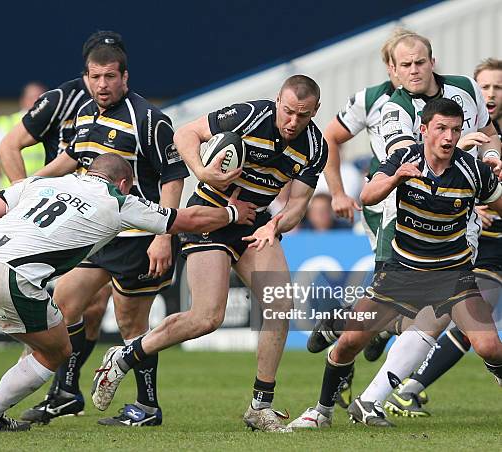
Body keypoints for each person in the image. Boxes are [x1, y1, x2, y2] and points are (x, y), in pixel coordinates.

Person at [0, 153, 255, 432]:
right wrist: (231, 214)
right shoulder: (119, 201)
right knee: (57, 350)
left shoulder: (40, 183)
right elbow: (186, 220)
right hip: (9, 274)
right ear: (124, 183)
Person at [91, 75, 328, 432]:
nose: (293, 122)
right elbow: (184, 133)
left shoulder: (315, 147)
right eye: (288, 111)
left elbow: (297, 205)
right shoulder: (249, 115)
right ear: (277, 100)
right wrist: (202, 171)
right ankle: (125, 355)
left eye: (304, 115)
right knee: (206, 318)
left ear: (315, 112)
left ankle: (259, 407)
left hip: (254, 223)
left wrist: (275, 226)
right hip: (210, 214)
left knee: (280, 305)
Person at [307, 32, 502, 396]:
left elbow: (489, 133)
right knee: (407, 313)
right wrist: (336, 192)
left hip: (457, 215)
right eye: (405, 65)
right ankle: (349, 354)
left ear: (433, 61)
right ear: (391, 68)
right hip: (395, 215)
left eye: (420, 62)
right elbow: (413, 158)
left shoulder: (465, 89)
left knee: (430, 314)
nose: (413, 70)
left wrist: (491, 158)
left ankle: (368, 382)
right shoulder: (386, 106)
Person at [19, 32, 189, 427]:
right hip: (98, 235)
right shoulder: (83, 115)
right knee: (61, 305)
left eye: (110, 77)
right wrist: (25, 189)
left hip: (139, 238)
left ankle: (147, 407)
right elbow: (70, 159)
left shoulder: (148, 119)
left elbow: (174, 176)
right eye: (95, 77)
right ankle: (65, 391)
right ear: (86, 76)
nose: (102, 85)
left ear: (125, 78)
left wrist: (164, 235)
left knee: (131, 324)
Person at [387, 58, 502, 416]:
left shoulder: (490, 142)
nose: (491, 93)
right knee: (472, 321)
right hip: (484, 245)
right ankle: (407, 389)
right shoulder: (464, 139)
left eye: (498, 87)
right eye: (485, 87)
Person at [0, 82, 47, 188]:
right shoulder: (8, 122)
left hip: (44, 190)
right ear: (23, 100)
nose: (37, 101)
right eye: (32, 97)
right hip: (14, 191)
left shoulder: (54, 123)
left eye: (41, 98)